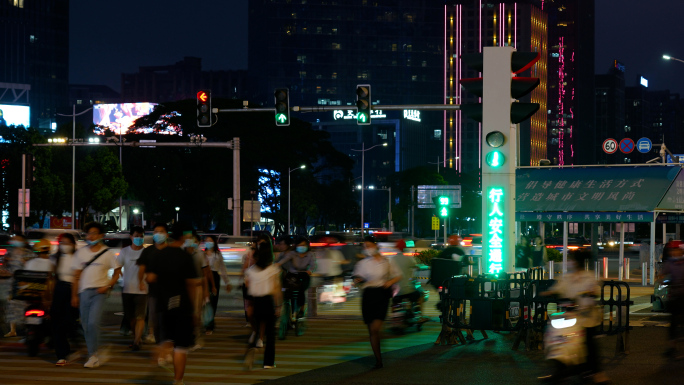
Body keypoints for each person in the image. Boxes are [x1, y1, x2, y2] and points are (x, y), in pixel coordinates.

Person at [145, 221, 200, 385]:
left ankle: (160, 350)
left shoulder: (160, 254)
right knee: (181, 347)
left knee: (168, 339)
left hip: (164, 304)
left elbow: (150, 278)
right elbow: (191, 285)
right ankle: (178, 381)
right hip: (182, 307)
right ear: (183, 235)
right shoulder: (185, 257)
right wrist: (195, 311)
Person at [542, 250, 609, 384]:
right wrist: (549, 292)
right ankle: (561, 371)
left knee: (589, 344)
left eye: (572, 260)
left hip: (586, 318)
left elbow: (593, 293)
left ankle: (597, 373)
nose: (570, 262)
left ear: (577, 262)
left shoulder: (589, 277)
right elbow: (558, 288)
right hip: (570, 317)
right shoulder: (567, 277)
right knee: (559, 340)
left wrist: (588, 297)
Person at [71, 222, 122, 368]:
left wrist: (108, 285)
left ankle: (93, 355)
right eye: (89, 233)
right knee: (86, 325)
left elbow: (117, 271)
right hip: (84, 292)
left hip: (99, 292)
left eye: (94, 233)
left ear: (101, 236)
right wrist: (74, 295)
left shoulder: (107, 253)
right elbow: (76, 276)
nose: (91, 236)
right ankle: (92, 352)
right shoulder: (81, 253)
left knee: (93, 322)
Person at [353, 235, 402, 369]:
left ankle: (378, 358)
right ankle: (378, 359)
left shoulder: (387, 261)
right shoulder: (362, 264)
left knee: (376, 328)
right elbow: (356, 278)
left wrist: (390, 282)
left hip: (382, 294)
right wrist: (357, 280)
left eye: (369, 246)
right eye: (365, 247)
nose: (367, 249)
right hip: (368, 295)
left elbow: (398, 275)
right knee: (372, 330)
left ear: (376, 246)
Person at [243, 236, 281, 370]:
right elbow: (276, 289)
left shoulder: (251, 271)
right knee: (270, 334)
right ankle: (268, 362)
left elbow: (247, 286)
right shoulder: (273, 270)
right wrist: (278, 306)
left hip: (257, 302)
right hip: (268, 302)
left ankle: (252, 348)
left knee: (257, 330)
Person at [137, 223, 169, 344]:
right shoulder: (148, 251)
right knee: (154, 316)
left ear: (166, 234)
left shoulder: (171, 251)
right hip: (153, 291)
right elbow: (142, 268)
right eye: (156, 231)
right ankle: (156, 337)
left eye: (161, 231)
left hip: (169, 291)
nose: (158, 234)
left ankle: (165, 343)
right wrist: (140, 282)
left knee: (167, 319)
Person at [117, 226, 147, 351]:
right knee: (131, 318)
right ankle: (137, 337)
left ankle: (136, 342)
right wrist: (123, 277)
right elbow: (117, 267)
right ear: (131, 237)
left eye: (141, 236)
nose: (138, 238)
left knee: (140, 316)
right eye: (136, 236)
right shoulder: (125, 251)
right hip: (127, 289)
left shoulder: (146, 252)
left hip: (143, 290)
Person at [50, 233, 79, 366]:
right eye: (62, 243)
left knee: (69, 321)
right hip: (59, 289)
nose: (64, 246)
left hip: (73, 289)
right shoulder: (56, 258)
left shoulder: (77, 258)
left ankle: (73, 344)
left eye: (67, 243)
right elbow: (51, 277)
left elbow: (77, 278)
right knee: (57, 323)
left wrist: (75, 295)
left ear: (73, 244)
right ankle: (61, 355)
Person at [277, 236, 316, 318]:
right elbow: (284, 260)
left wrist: (310, 271)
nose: (301, 247)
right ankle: (287, 311)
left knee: (301, 291)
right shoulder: (292, 254)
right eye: (299, 245)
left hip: (304, 275)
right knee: (287, 290)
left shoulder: (310, 255)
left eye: (303, 245)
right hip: (292, 275)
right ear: (296, 246)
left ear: (307, 246)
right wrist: (277, 264)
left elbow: (313, 265)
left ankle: (301, 309)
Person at [3, 234, 32, 338]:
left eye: (18, 239)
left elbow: (32, 265)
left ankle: (28, 328)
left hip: (25, 281)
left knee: (25, 304)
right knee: (12, 305)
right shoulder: (10, 252)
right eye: (14, 239)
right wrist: (6, 262)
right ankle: (13, 330)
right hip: (12, 282)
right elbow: (5, 264)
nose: (15, 241)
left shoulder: (28, 252)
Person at [660, 240, 684, 358]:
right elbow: (661, 277)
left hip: (680, 296)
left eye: (676, 250)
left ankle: (673, 348)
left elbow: (662, 277)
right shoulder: (669, 263)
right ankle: (672, 347)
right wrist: (664, 280)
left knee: (675, 323)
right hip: (675, 296)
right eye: (673, 250)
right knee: (673, 323)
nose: (674, 252)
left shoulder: (675, 263)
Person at [204, 234, 230, 334]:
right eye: (206, 241)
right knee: (205, 302)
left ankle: (210, 325)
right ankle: (208, 323)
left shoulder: (218, 254)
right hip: (204, 278)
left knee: (213, 302)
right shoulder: (203, 254)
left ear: (214, 243)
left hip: (214, 277)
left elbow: (223, 268)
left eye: (210, 241)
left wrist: (227, 282)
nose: (208, 242)